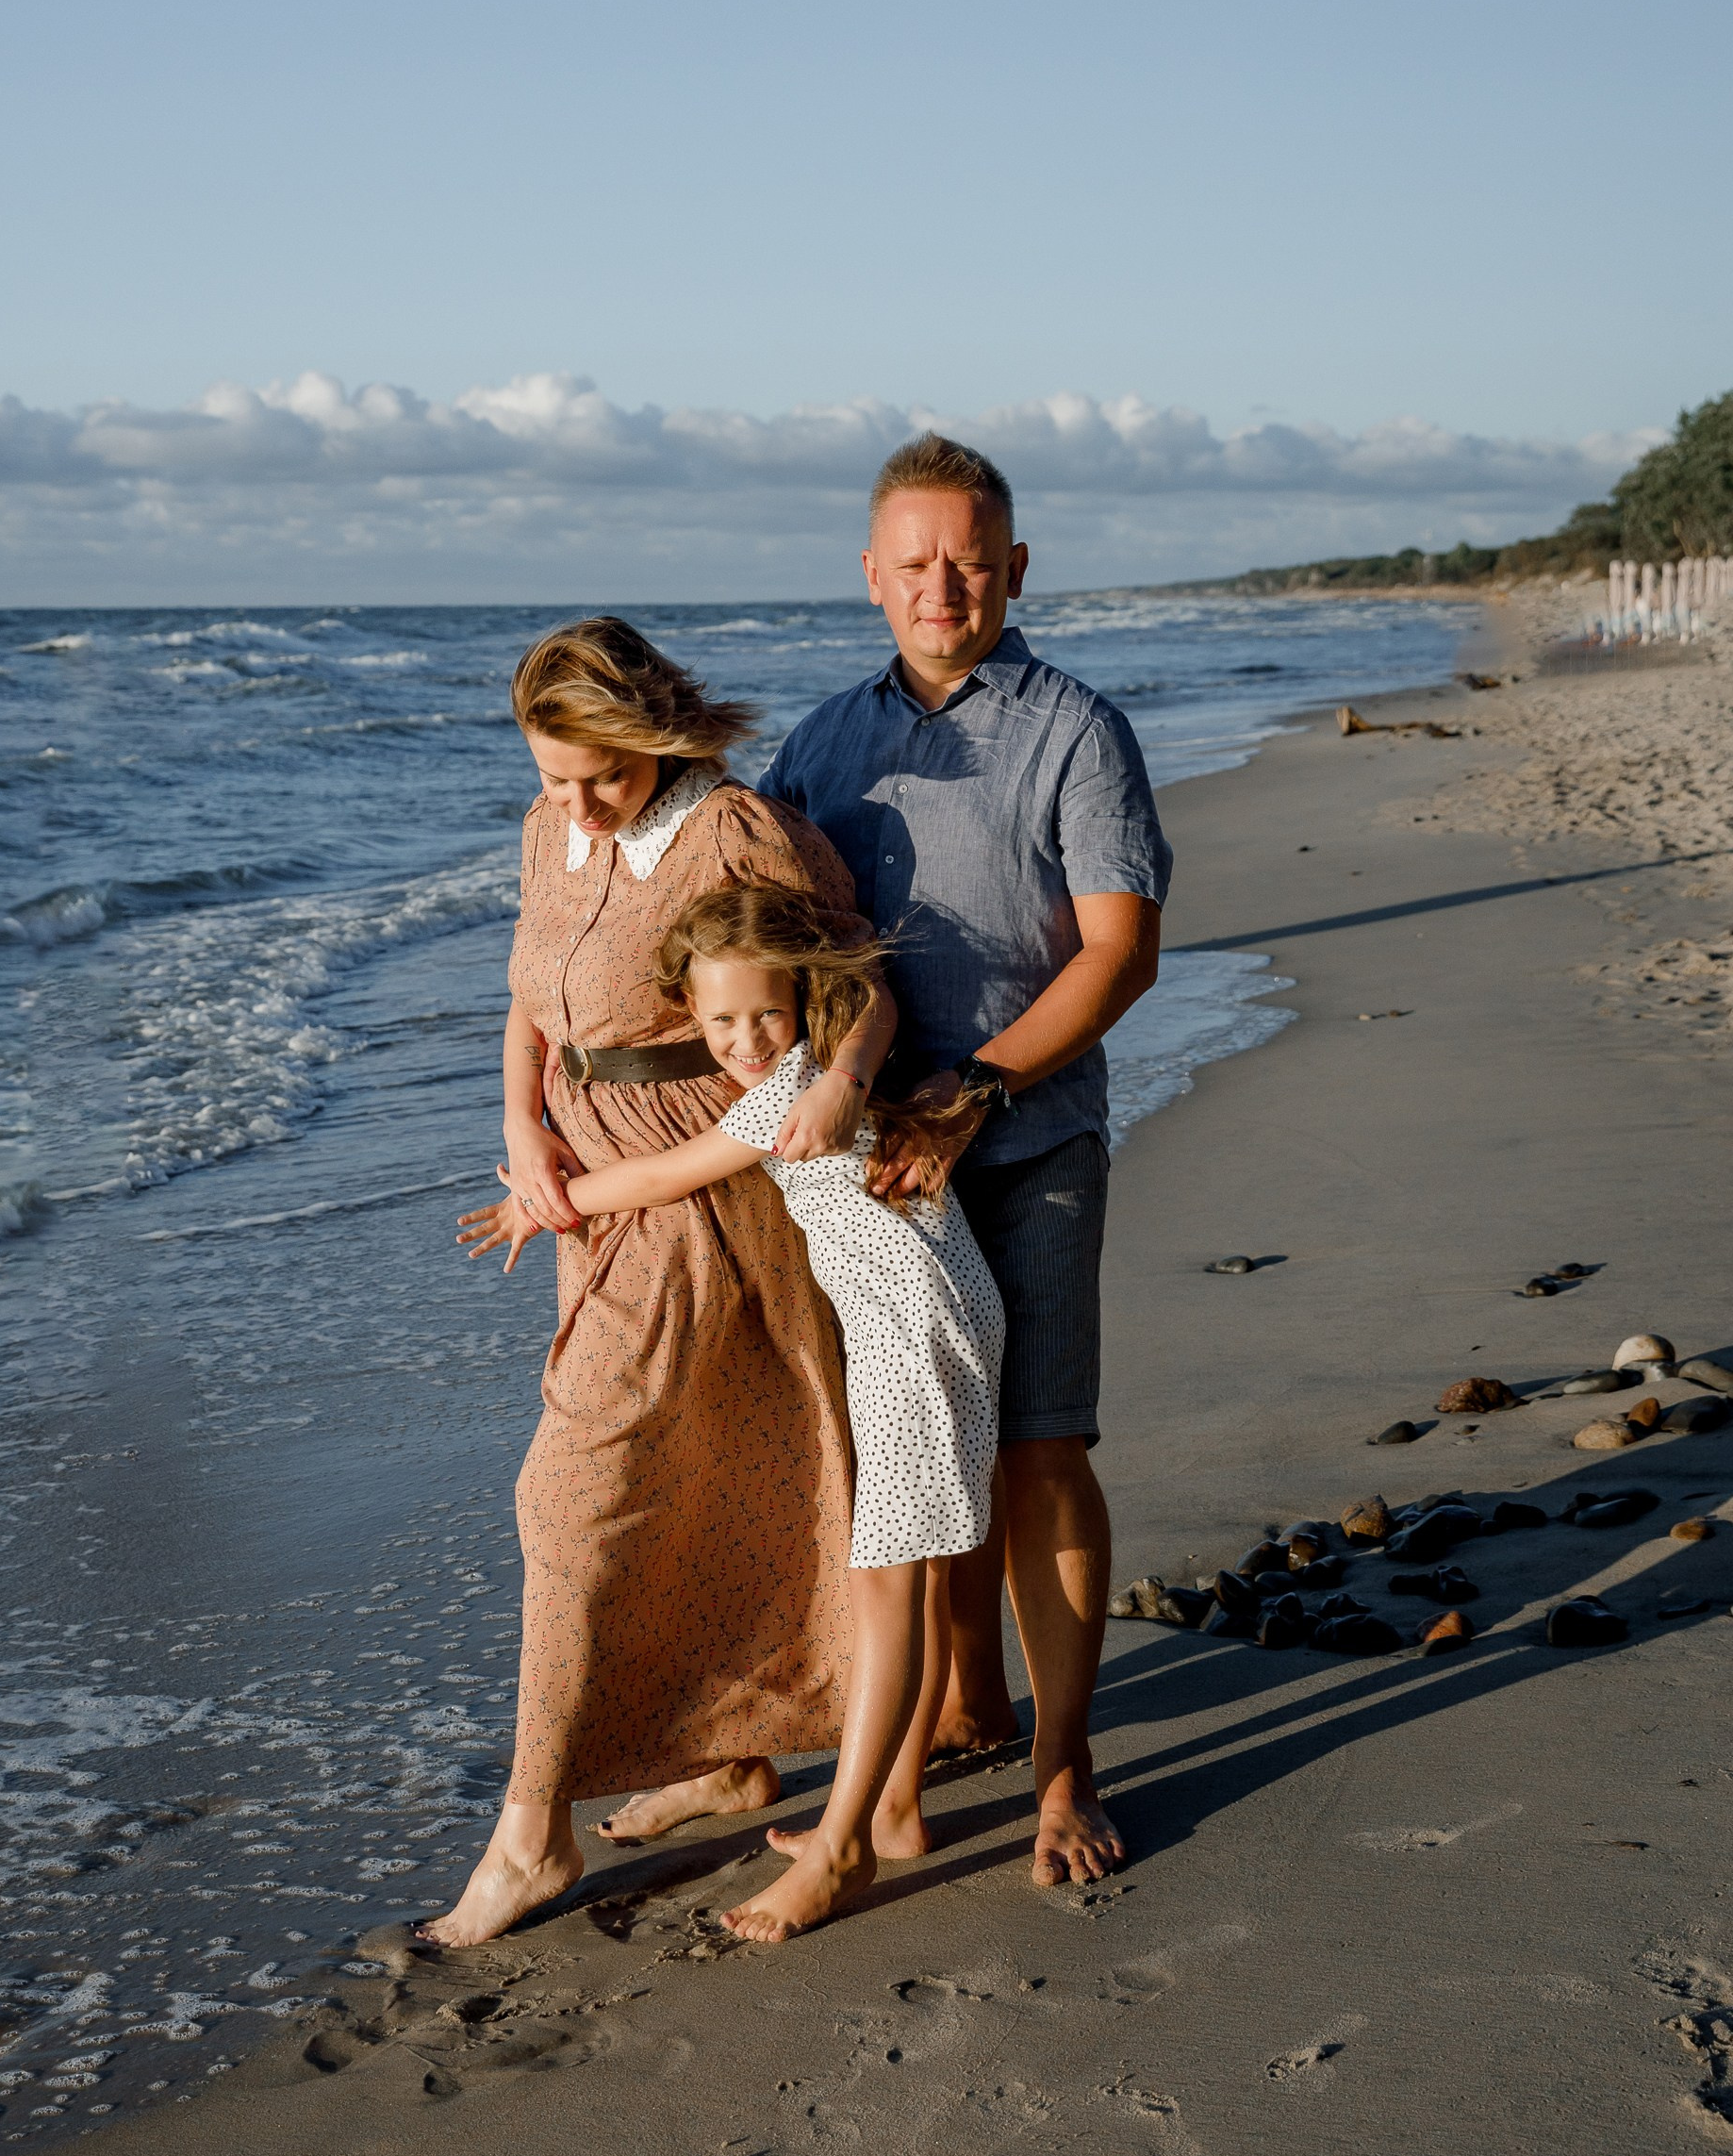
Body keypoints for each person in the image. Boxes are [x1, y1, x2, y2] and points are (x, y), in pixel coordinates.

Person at [421, 616, 894, 1951]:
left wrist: (843, 1089)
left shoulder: (736, 835)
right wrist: (523, 1131)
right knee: (702, 1465)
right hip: (577, 1185)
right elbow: (530, 996)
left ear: (655, 733)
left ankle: (529, 1832)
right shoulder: (544, 823)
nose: (570, 801)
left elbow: (848, 986)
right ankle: (735, 1753)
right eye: (552, 775)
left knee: (572, 1490)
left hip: (696, 1190)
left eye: (599, 777)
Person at [758, 433, 1171, 1887]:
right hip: (869, 1172)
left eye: (972, 556)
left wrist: (974, 1093)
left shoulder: (1075, 729)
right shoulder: (813, 749)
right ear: (871, 575)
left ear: (1012, 567)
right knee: (911, 1463)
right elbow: (732, 928)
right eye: (916, 559)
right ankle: (961, 1702)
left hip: (1031, 1135)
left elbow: (1120, 952)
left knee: (1041, 1446)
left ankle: (1063, 1767)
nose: (946, 583)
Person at [466, 878, 1001, 1944]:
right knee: (916, 1570)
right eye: (718, 1022)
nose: (746, 1040)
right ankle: (890, 1811)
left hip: (912, 1340)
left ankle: (848, 1846)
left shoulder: (790, 1092)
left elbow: (667, 1174)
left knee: (887, 1585)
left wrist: (543, 1202)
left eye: (764, 1013)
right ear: (686, 1016)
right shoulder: (838, 1061)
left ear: (802, 1002)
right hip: (938, 1316)